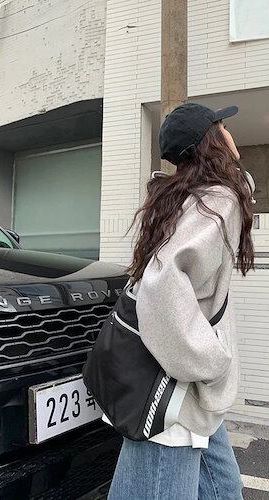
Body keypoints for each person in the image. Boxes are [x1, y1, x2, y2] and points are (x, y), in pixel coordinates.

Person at [106, 103, 255, 500]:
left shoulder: (182, 198)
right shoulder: (216, 201)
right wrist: (211, 363)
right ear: (213, 139)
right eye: (223, 126)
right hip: (174, 389)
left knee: (224, 490)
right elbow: (161, 288)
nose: (231, 133)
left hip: (183, 385)